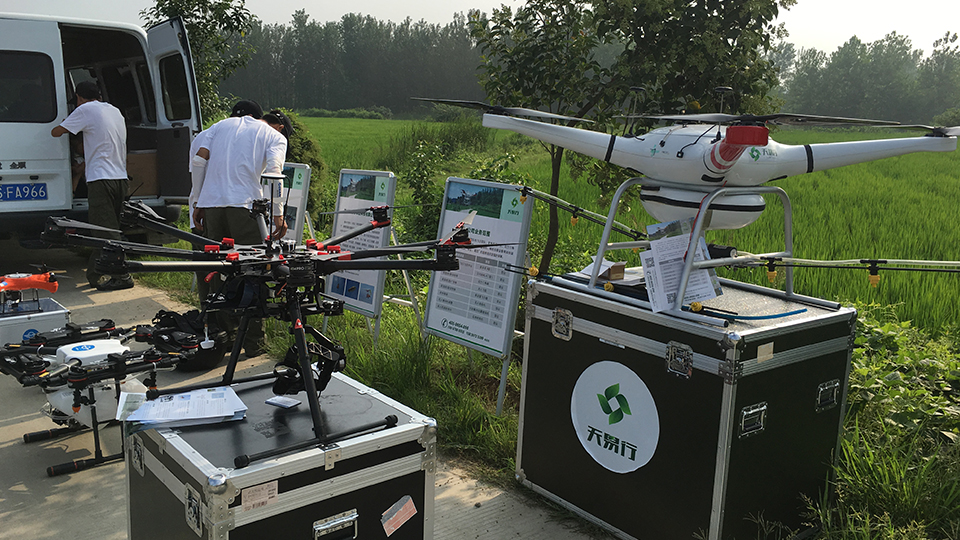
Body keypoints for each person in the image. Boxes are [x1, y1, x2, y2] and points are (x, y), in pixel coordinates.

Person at [190, 99, 288, 357]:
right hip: (246, 208)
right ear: (260, 117)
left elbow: (199, 162)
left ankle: (227, 336)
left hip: (213, 206)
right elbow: (274, 171)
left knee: (219, 272)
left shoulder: (217, 128)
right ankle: (254, 342)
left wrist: (198, 201)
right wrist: (278, 214)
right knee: (254, 272)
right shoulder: (272, 135)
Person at [51, 80, 134, 291]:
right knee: (107, 230)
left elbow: (56, 132)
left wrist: (66, 121)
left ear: (79, 98)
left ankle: (122, 275)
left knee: (105, 233)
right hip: (120, 178)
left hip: (101, 180)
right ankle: (95, 275)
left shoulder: (85, 109)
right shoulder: (114, 110)